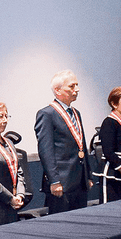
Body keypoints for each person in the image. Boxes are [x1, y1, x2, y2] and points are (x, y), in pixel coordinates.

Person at [34, 70, 92, 214]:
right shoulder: (47, 114)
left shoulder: (76, 113)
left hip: (79, 181)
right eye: (72, 86)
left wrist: (88, 175)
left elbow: (82, 145)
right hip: (62, 183)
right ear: (57, 90)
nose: (77, 89)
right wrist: (54, 181)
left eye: (77, 85)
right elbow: (46, 151)